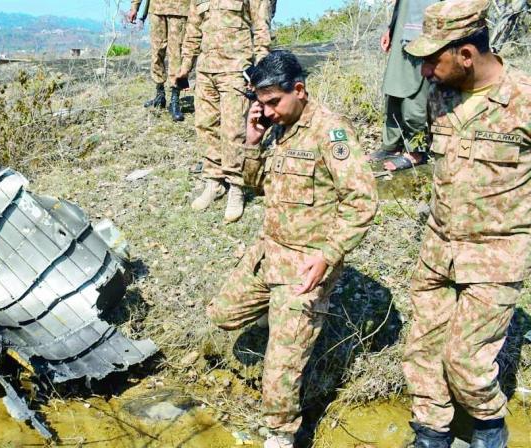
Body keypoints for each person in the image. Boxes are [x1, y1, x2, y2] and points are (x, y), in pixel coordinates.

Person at [206, 50, 377, 448]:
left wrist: (328, 255)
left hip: (306, 263)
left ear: (298, 89)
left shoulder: (330, 132)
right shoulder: (278, 127)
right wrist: (252, 140)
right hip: (269, 251)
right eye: (259, 103)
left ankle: (281, 434)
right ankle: (276, 316)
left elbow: (363, 201)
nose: (266, 111)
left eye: (272, 102)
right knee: (221, 315)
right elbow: (253, 184)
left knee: (280, 367)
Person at [400, 0, 530, 446]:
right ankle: (432, 432)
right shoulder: (442, 94)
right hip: (438, 248)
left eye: (431, 61)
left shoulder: (525, 100)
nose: (423, 73)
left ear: (466, 55)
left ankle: (489, 426)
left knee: (466, 362)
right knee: (421, 350)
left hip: (496, 254)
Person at [177, 0, 272, 222]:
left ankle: (236, 186)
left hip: (235, 69)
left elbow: (261, 26)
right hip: (206, 70)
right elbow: (193, 30)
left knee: (233, 129)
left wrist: (260, 69)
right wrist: (185, 67)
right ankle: (214, 180)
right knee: (206, 125)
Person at [371, 0, 438, 172]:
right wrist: (391, 29)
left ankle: (416, 152)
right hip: (402, 30)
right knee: (394, 87)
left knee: (414, 92)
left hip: (423, 34)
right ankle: (391, 146)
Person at [127, 0, 191, 121]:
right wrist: (134, 7)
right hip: (157, 8)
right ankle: (159, 95)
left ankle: (175, 99)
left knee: (176, 53)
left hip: (180, 8)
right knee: (156, 52)